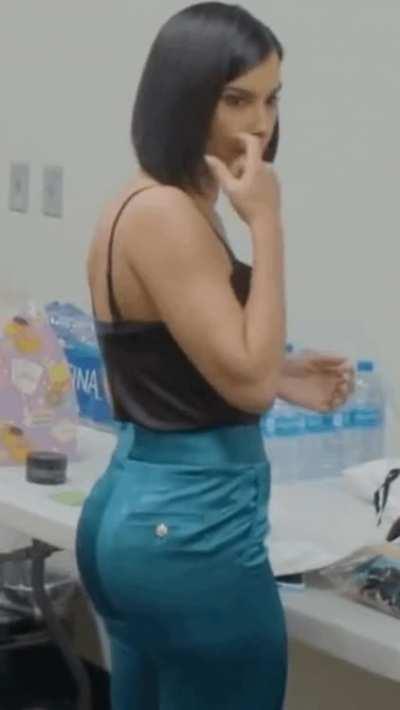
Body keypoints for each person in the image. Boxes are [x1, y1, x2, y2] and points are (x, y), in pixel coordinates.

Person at [76, 3, 354, 709]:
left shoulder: (143, 199)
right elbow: (247, 387)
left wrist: (281, 372)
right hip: (192, 529)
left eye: (271, 99)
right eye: (236, 99)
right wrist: (267, 223)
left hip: (143, 514)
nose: (259, 124)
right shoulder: (168, 213)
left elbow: (169, 354)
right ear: (183, 96)